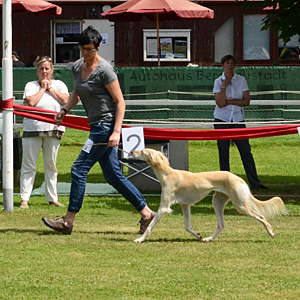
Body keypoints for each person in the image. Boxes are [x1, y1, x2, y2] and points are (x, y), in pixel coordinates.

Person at [42, 26, 156, 235]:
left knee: (78, 169)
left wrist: (116, 132)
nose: (86, 53)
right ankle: (147, 214)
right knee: (113, 175)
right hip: (96, 126)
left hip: (105, 127)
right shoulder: (77, 67)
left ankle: (67, 222)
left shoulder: (105, 70)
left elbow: (120, 102)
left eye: (90, 49)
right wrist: (65, 109)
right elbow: (78, 91)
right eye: (83, 49)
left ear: (97, 47)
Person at [20, 56, 69, 209]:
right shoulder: (31, 85)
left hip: (53, 131)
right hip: (32, 130)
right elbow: (31, 102)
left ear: (52, 70)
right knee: (29, 165)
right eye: (41, 69)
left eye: (47, 68)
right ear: (37, 71)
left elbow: (66, 100)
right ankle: (24, 199)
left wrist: (50, 88)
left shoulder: (60, 84)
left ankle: (52, 198)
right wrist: (42, 88)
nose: (44, 71)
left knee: (51, 165)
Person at [213, 54, 268, 190]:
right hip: (222, 120)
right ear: (223, 66)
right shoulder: (218, 81)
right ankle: (225, 184)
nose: (230, 65)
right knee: (223, 152)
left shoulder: (241, 80)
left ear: (235, 65)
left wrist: (230, 102)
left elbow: (246, 101)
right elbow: (220, 103)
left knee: (246, 151)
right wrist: (224, 87)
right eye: (227, 63)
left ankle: (255, 182)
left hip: (238, 119)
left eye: (232, 63)